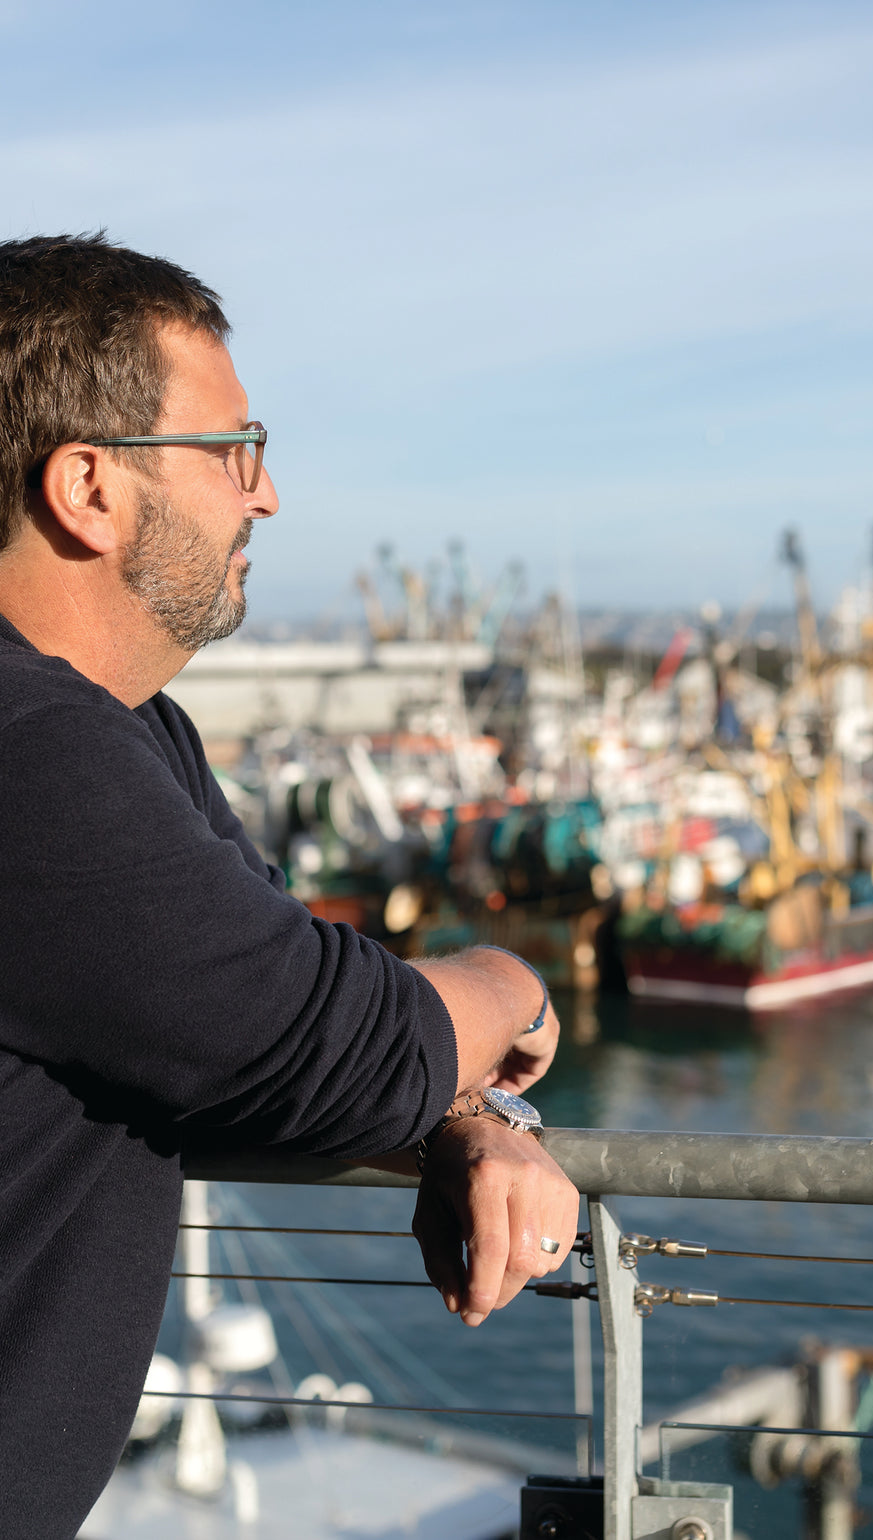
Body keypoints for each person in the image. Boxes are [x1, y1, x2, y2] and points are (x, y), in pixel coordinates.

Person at [0, 233, 579, 1539]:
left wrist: (461, 1115)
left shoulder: (127, 729)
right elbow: (339, 1036)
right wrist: (516, 990)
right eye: (232, 451)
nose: (264, 498)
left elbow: (250, 1031)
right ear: (88, 486)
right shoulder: (31, 758)